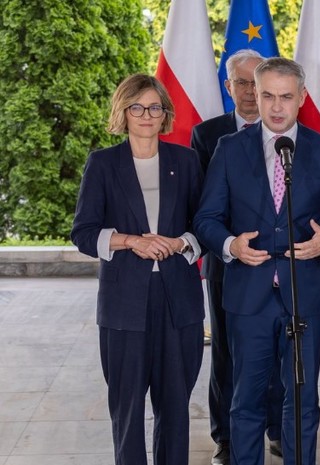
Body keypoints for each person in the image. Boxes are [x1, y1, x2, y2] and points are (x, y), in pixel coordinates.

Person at [193, 57, 320, 465]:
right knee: (245, 401)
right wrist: (231, 245)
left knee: (301, 400)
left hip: (303, 295)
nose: (276, 106)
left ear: (302, 97)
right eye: (267, 95)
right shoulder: (230, 148)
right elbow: (206, 218)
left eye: (286, 97)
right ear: (254, 92)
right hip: (247, 296)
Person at [71, 74, 204, 465]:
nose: (146, 115)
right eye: (137, 107)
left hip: (178, 302)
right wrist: (132, 241)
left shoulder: (186, 161)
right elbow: (83, 233)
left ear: (164, 113)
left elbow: (206, 225)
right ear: (123, 112)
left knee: (175, 408)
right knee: (127, 409)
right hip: (124, 304)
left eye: (154, 107)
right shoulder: (103, 163)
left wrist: (180, 243)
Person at [190, 49, 284, 465]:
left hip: (280, 264)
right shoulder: (207, 135)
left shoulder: (286, 131)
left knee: (280, 348)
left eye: (255, 82)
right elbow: (203, 203)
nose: (248, 90)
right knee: (227, 352)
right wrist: (232, 244)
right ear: (228, 87)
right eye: (241, 82)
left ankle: (278, 429)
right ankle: (226, 437)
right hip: (228, 262)